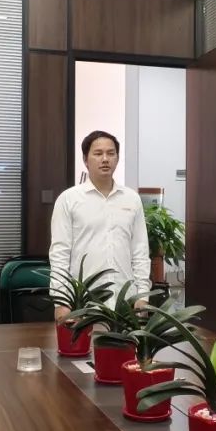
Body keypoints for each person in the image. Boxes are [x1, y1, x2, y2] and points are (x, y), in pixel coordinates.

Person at [50, 130, 150, 318]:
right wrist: (61, 300)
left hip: (125, 301)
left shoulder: (132, 199)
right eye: (98, 153)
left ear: (117, 158)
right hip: (83, 301)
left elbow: (140, 251)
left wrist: (142, 295)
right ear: (85, 160)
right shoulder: (69, 199)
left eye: (111, 153)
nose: (105, 159)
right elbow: (59, 253)